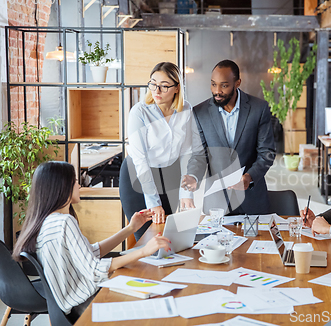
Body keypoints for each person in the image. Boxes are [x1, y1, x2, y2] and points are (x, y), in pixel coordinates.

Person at [13, 161, 171, 322]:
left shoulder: (48, 221)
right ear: (61, 186)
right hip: (83, 302)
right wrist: (144, 251)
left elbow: (90, 252)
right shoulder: (64, 222)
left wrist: (130, 228)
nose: (79, 186)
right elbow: (94, 270)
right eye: (74, 181)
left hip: (70, 304)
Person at [181, 60, 275, 215]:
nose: (217, 91)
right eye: (213, 84)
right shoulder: (200, 112)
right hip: (216, 203)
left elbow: (267, 153)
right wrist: (193, 177)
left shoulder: (259, 108)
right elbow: (199, 155)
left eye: (224, 85)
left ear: (237, 83)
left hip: (253, 200)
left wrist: (249, 177)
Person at [120, 62, 201, 240]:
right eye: (153, 83)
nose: (156, 91)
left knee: (165, 234)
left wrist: (186, 193)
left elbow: (187, 153)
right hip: (137, 175)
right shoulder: (139, 112)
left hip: (169, 174)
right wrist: (153, 203)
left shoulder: (185, 109)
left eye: (164, 86)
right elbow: (140, 161)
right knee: (146, 237)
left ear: (177, 88)